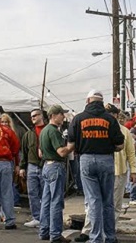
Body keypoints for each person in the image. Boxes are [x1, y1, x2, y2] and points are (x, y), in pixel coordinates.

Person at [67, 90, 124, 243]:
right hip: (106, 160)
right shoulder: (110, 119)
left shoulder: (78, 118)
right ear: (101, 101)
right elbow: (120, 145)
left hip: (85, 159)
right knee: (108, 200)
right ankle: (110, 237)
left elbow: (70, 143)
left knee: (93, 201)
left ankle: (96, 237)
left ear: (88, 101)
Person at [75, 104, 136, 243]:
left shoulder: (125, 131)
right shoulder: (100, 127)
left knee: (112, 204)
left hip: (118, 171)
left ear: (115, 116)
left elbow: (130, 152)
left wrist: (133, 170)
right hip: (107, 167)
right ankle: (89, 231)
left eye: (111, 114)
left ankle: (108, 232)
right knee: (93, 202)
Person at [38, 104, 74, 243]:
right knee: (56, 202)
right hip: (55, 167)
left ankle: (44, 231)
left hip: (46, 166)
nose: (63, 116)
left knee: (46, 201)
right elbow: (61, 151)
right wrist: (71, 146)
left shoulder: (44, 131)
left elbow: (40, 152)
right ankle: (55, 234)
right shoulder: (54, 131)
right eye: (61, 114)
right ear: (53, 115)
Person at [19, 108, 46, 228]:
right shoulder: (28, 134)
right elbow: (24, 152)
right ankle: (36, 217)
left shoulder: (48, 130)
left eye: (35, 115)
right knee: (32, 193)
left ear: (42, 116)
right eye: (31, 116)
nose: (33, 118)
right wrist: (22, 167)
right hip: (31, 165)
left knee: (45, 193)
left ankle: (45, 218)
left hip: (46, 165)